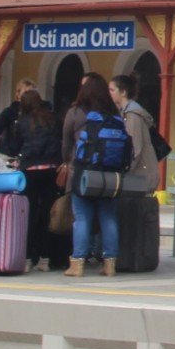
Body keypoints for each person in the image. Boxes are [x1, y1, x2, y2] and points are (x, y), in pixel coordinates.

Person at [66, 73, 130, 276]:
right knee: (108, 218)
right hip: (110, 176)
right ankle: (110, 263)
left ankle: (77, 263)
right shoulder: (115, 117)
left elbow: (66, 144)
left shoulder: (78, 113)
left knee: (82, 218)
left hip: (85, 174)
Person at [0, 83, 65, 271]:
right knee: (47, 215)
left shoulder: (23, 122)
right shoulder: (54, 119)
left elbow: (12, 148)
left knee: (29, 213)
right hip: (52, 170)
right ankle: (45, 258)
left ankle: (27, 258)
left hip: (30, 171)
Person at [112, 73, 161, 265]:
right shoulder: (130, 113)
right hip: (142, 173)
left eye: (112, 90)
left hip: (139, 175)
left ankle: (133, 257)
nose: (110, 94)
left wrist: (125, 170)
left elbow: (135, 147)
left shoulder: (132, 115)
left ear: (123, 92)